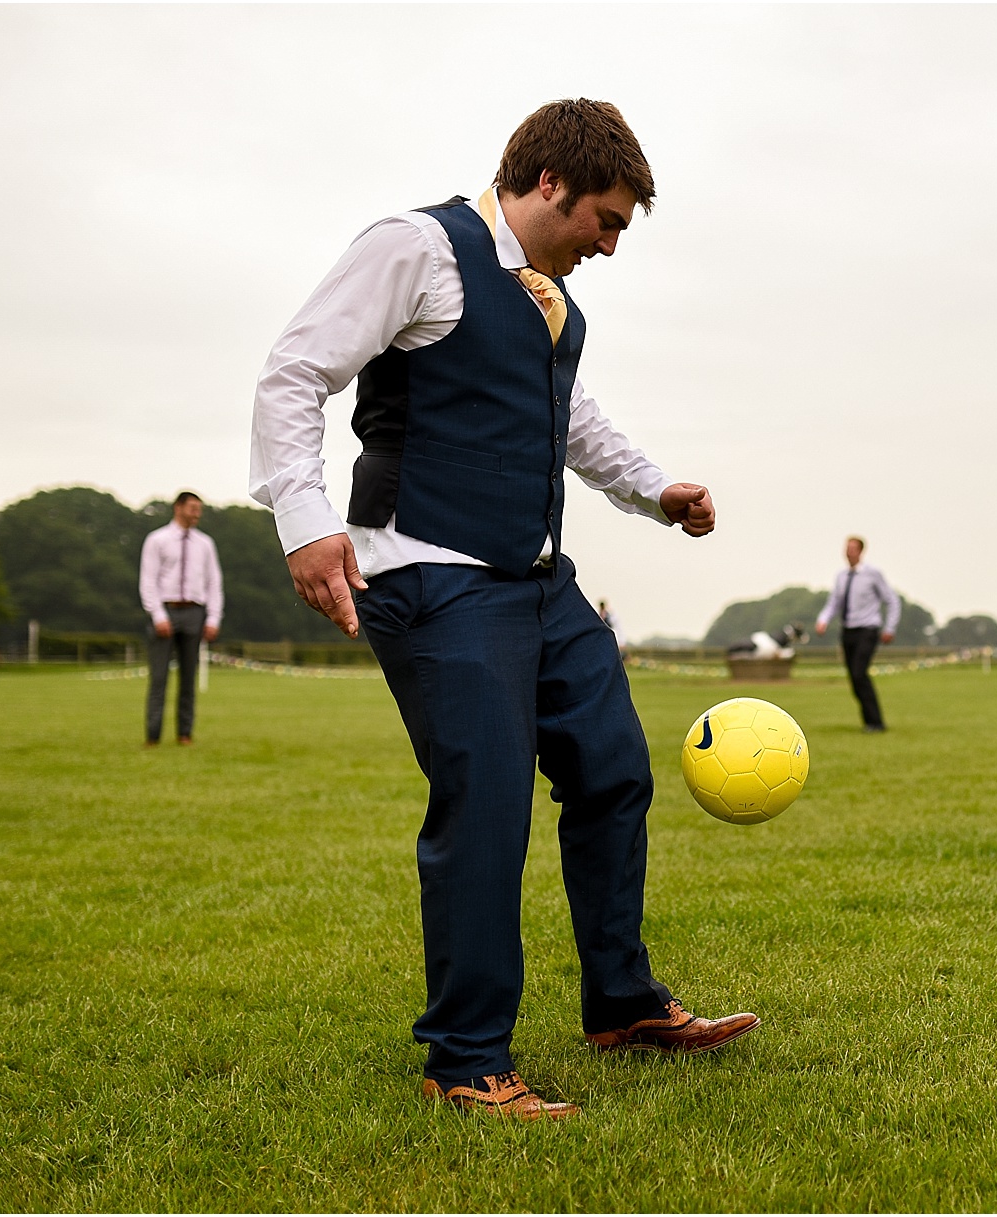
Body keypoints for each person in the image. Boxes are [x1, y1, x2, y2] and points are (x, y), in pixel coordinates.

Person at [249, 99, 756, 1121]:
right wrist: (305, 523)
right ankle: (465, 1059)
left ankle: (621, 1002)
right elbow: (293, 372)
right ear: (549, 186)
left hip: (536, 579)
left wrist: (654, 489)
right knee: (485, 805)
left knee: (613, 769)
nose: (608, 246)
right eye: (604, 221)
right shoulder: (416, 247)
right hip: (429, 572)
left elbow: (573, 422)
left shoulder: (554, 306)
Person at [138, 491, 223, 746]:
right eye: (193, 508)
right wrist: (157, 615)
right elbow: (148, 580)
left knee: (188, 678)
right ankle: (153, 735)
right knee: (159, 678)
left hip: (194, 612)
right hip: (166, 609)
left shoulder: (205, 544)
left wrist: (213, 619)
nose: (197, 513)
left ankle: (184, 733)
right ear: (178, 508)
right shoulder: (157, 540)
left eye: (199, 509)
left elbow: (214, 583)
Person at [814, 536, 900, 732]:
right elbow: (834, 602)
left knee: (860, 672)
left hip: (868, 629)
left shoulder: (873, 574)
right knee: (854, 676)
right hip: (848, 630)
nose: (849, 552)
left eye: (853, 548)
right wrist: (823, 619)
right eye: (847, 548)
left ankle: (876, 722)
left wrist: (890, 628)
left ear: (861, 552)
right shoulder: (842, 576)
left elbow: (892, 600)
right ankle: (869, 721)